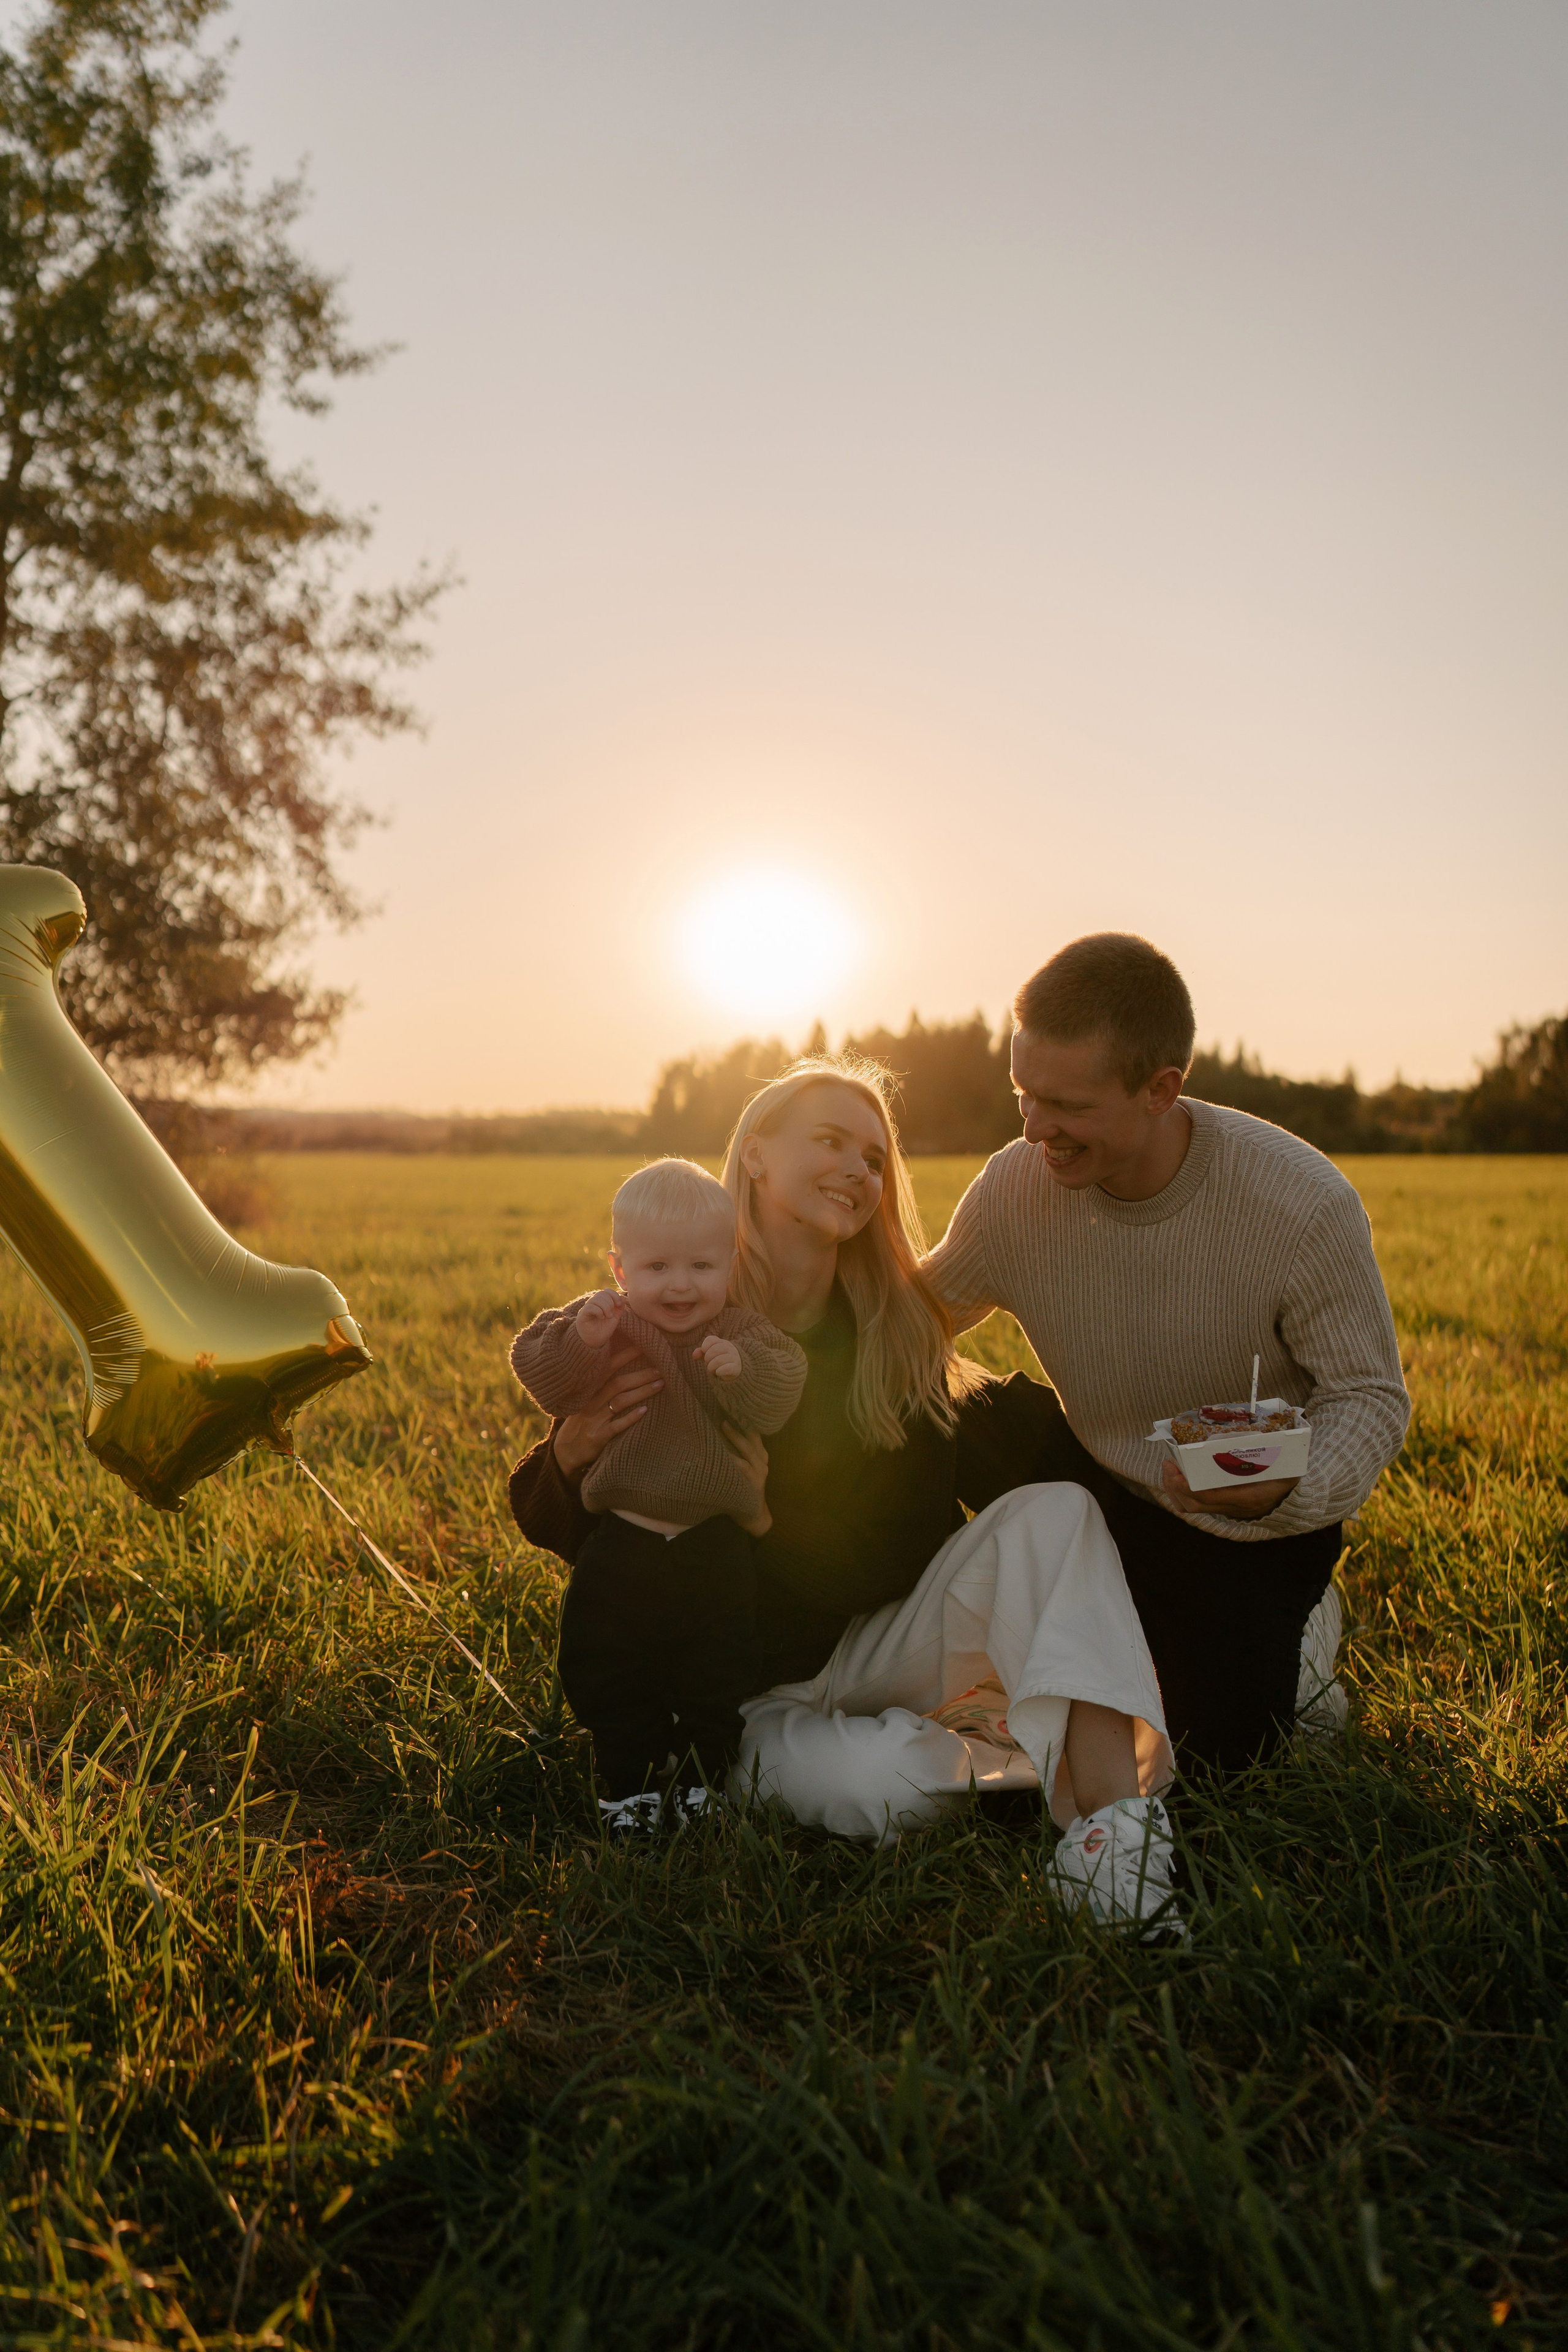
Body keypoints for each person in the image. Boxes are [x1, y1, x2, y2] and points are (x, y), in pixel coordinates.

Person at [510, 1057, 1183, 1934]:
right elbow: (563, 1521)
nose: (858, 1172)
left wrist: (752, 1518)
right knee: (892, 1796)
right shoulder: (680, 1301)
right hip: (746, 1686)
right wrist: (572, 1454)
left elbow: (906, 1545)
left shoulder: (895, 1331)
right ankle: (1021, 1725)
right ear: (755, 1156)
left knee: (1057, 1513)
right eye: (830, 1141)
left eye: (874, 1159)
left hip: (876, 1637)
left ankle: (1112, 1839)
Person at [922, 932, 1411, 1779]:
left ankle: (1303, 1634)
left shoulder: (1298, 1202)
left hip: (1244, 1521)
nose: (1036, 1129)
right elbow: (908, 1321)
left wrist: (1285, 1491)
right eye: (1022, 1095)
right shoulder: (1015, 1185)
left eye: (1066, 1105)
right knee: (928, 1404)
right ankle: (903, 1626)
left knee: (1216, 1760)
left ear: (1161, 1090)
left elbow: (1369, 1395)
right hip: (1099, 1486)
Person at [510, 1157, 807, 1831]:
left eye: (701, 1268)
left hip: (714, 1543)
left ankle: (705, 1777)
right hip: (621, 1541)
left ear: (730, 1264)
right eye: (656, 1269)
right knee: (606, 1661)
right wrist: (582, 1338)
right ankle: (629, 1779)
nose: (679, 1287)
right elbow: (543, 1371)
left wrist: (743, 1371)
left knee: (719, 1665)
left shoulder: (737, 1331)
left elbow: (781, 1387)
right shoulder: (607, 1326)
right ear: (620, 1271)